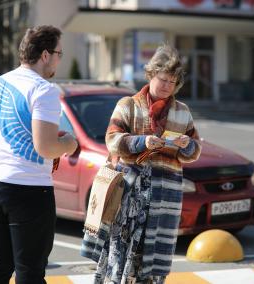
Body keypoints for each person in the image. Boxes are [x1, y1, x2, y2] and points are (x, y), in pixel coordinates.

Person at [81, 44, 202, 284]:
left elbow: (195, 151)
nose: (167, 85)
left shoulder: (182, 112)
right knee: (121, 255)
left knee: (153, 261)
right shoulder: (128, 105)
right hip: (129, 197)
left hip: (164, 198)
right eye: (163, 79)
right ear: (151, 75)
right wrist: (142, 141)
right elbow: (112, 140)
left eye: (172, 81)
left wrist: (186, 144)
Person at [0, 25, 78, 284]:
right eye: (59, 53)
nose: (59, 59)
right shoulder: (44, 90)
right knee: (30, 271)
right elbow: (45, 147)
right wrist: (69, 144)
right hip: (29, 189)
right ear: (45, 55)